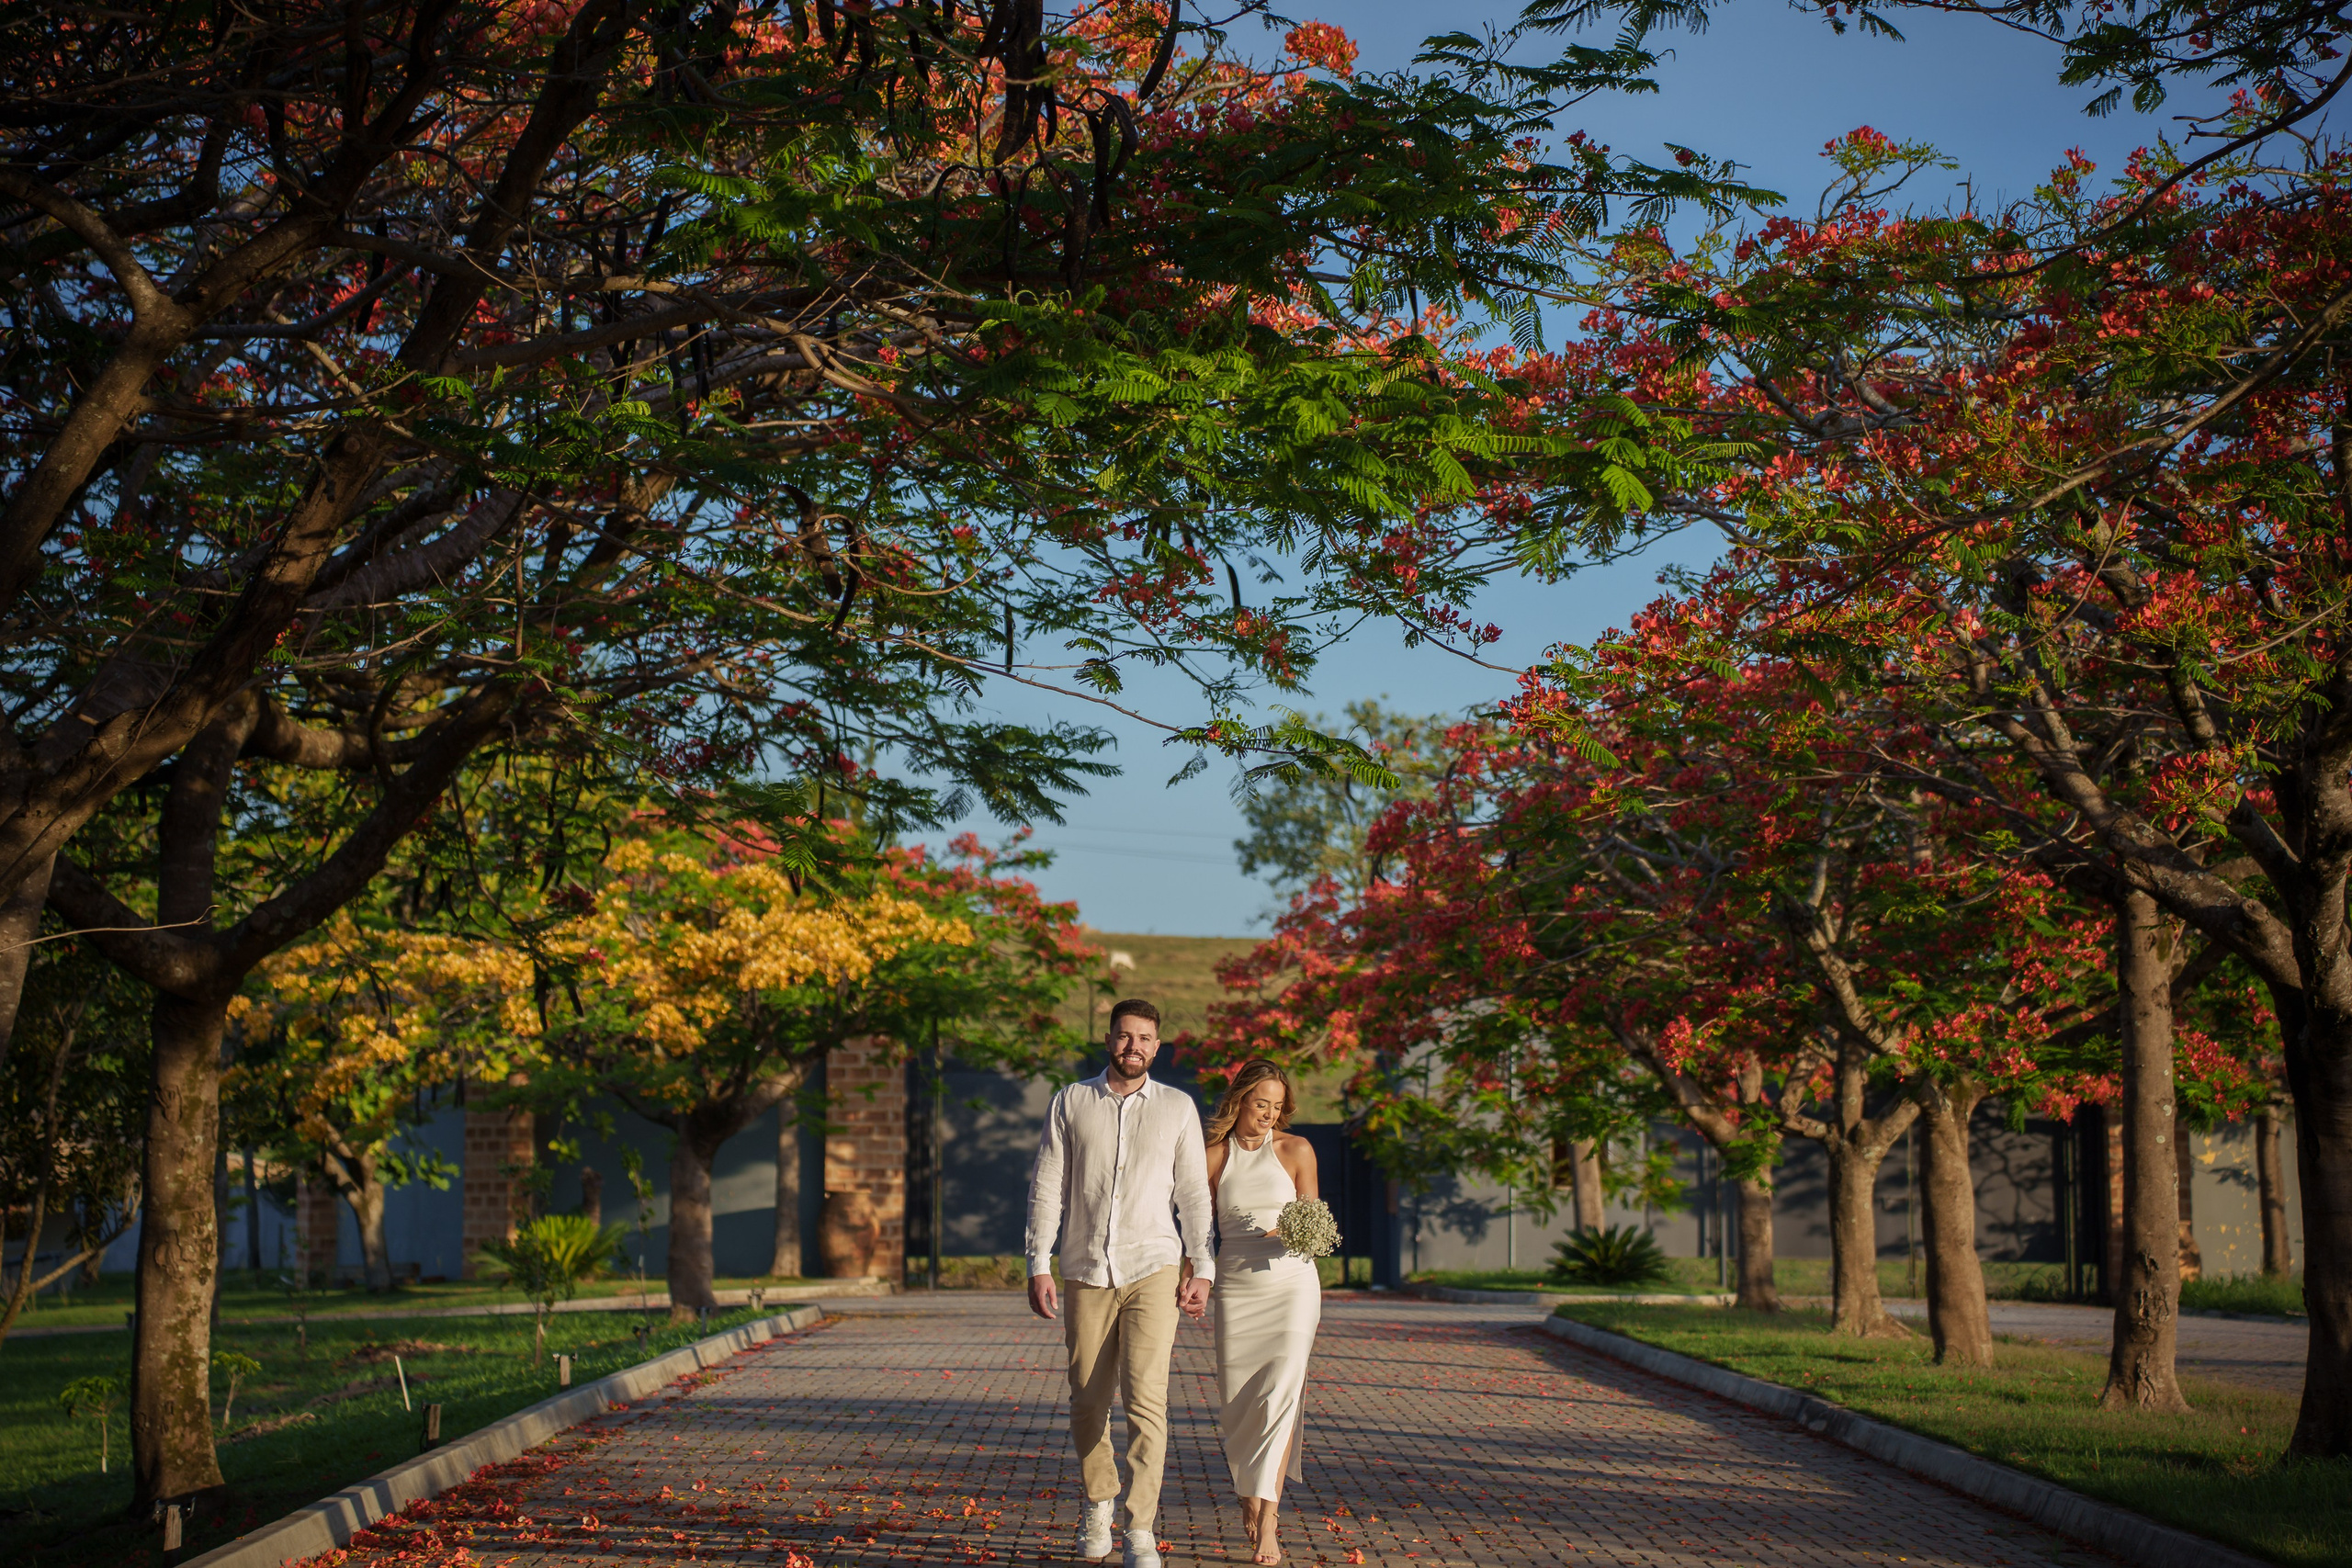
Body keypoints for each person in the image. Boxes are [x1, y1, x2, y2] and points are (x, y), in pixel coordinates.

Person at [1024, 998, 1215, 1568]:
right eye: (1125, 1036)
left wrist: (1201, 1267)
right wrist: (1039, 1261)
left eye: (1145, 1039)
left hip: (1154, 1265)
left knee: (1147, 1401)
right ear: (1109, 1040)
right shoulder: (1072, 1101)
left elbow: (1193, 1194)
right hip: (1086, 1268)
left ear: (1158, 1047)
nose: (1134, 1047)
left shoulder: (1178, 1108)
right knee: (1087, 1399)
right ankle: (1100, 1501)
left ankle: (1139, 1528)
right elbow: (1048, 1185)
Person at [1204, 1058, 1321, 1568]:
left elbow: (1314, 1222)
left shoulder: (1296, 1150)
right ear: (1239, 1101)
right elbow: (1195, 1228)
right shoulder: (1211, 1158)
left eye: (1277, 1106)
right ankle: (1247, 1496)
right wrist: (1194, 1275)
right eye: (1260, 1104)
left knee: (1280, 1396)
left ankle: (1268, 1519)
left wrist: (1289, 1234)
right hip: (1236, 1287)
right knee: (1240, 1403)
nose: (1269, 1114)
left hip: (1292, 1287)